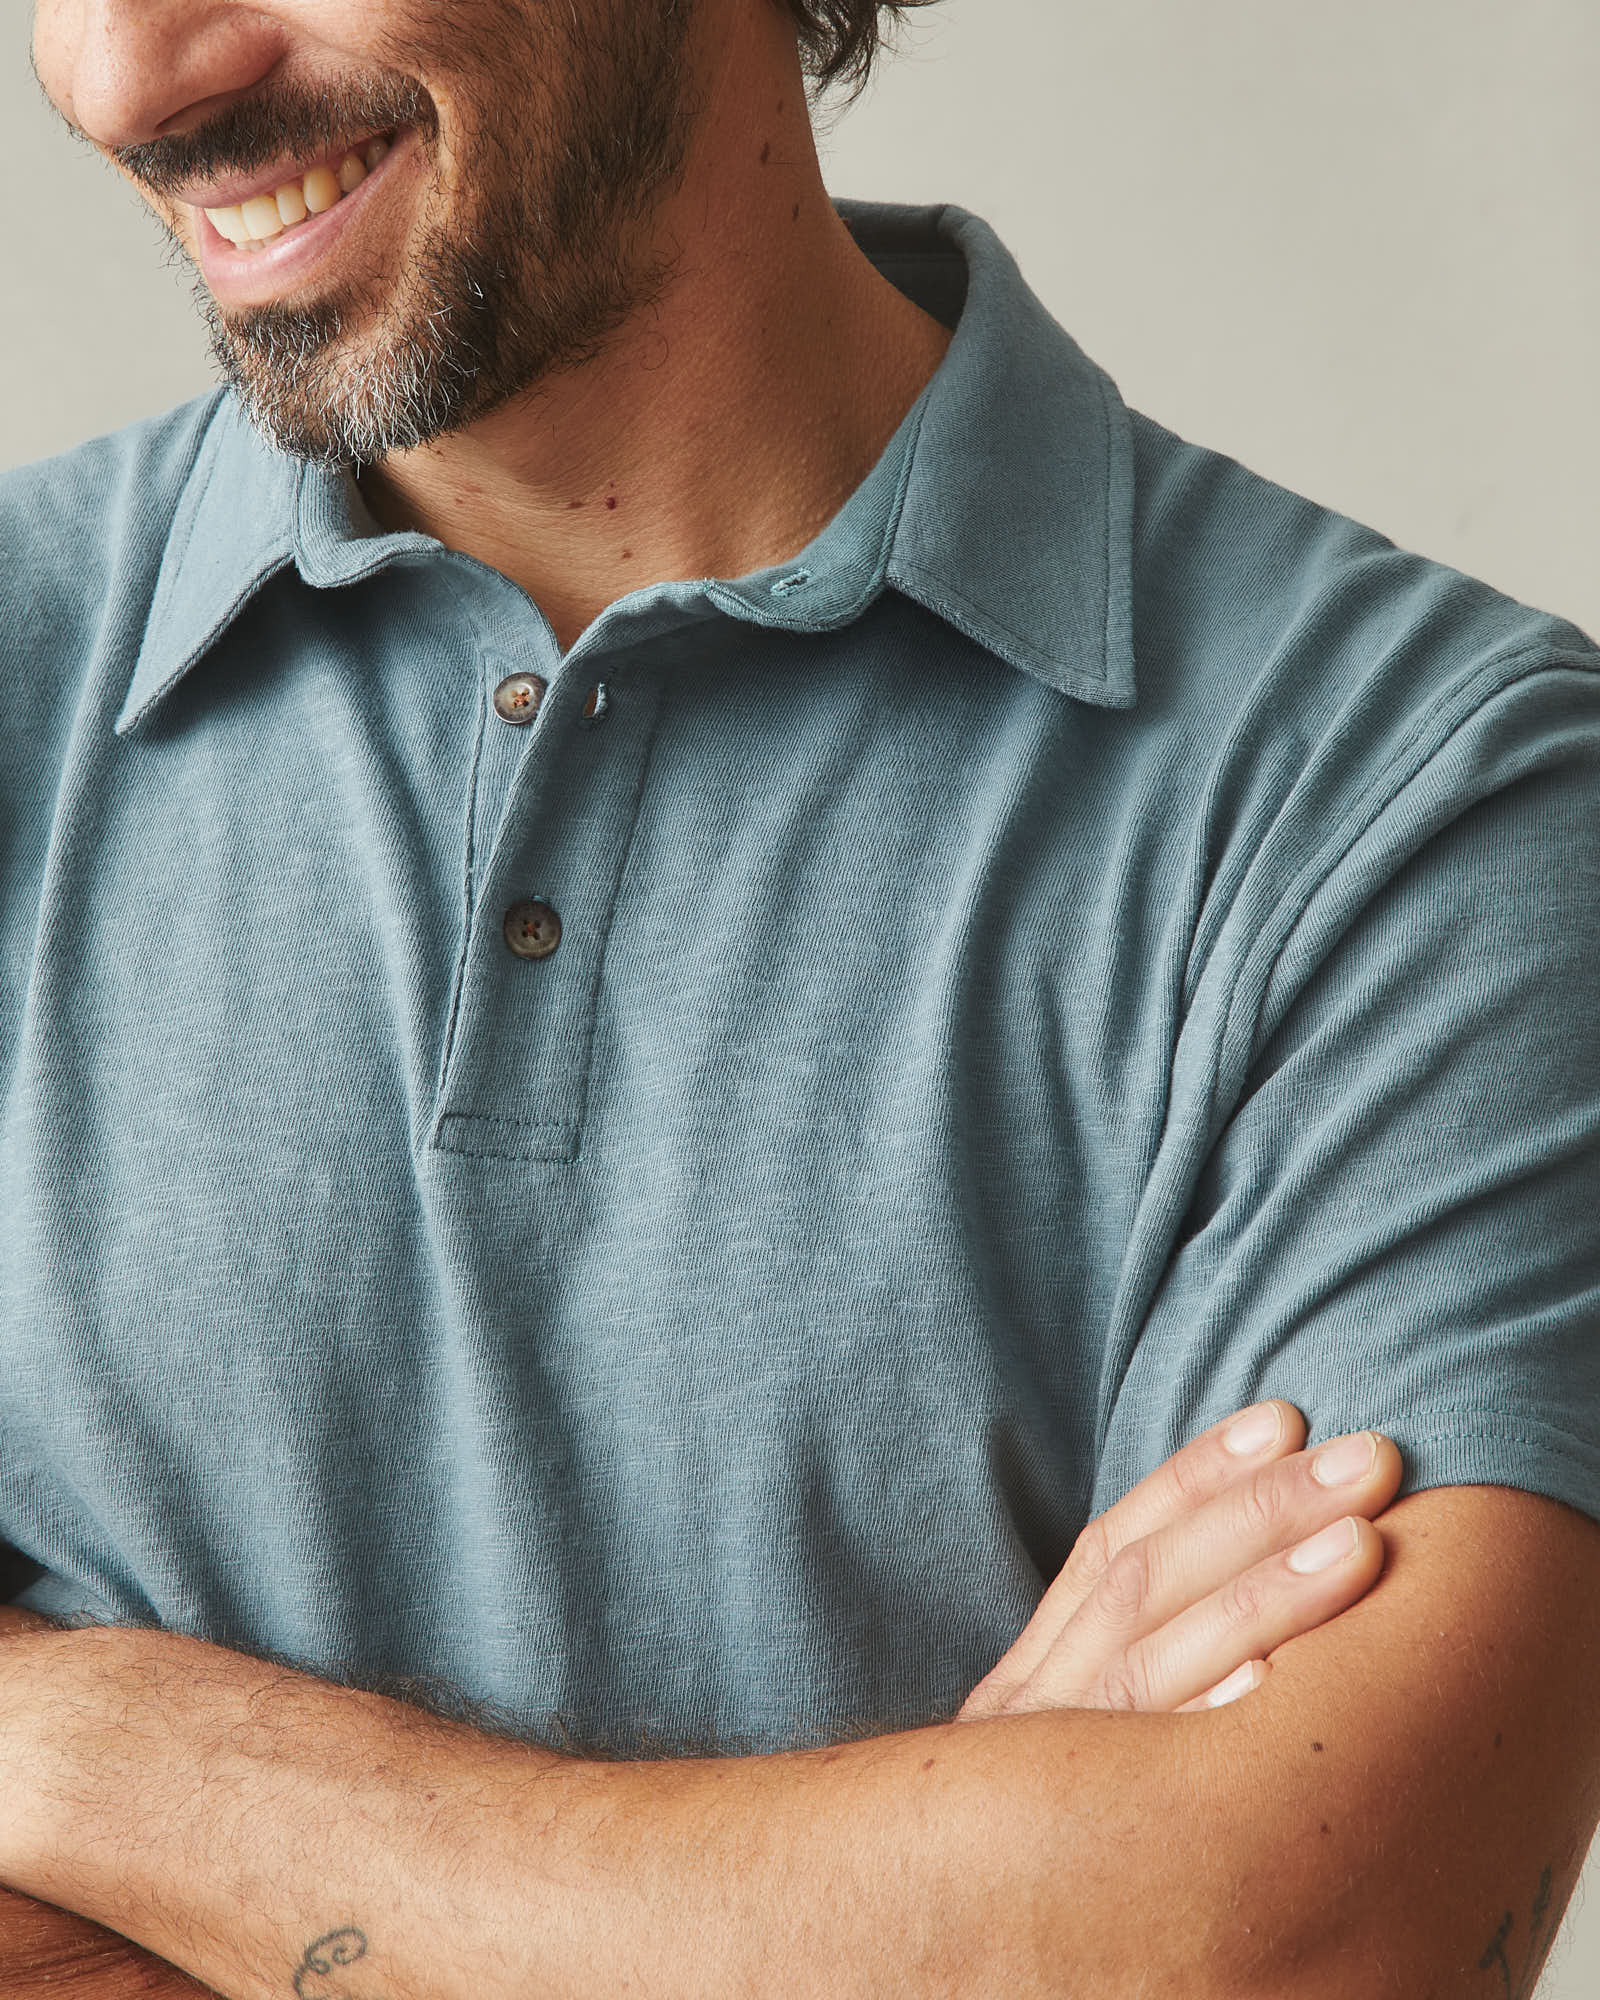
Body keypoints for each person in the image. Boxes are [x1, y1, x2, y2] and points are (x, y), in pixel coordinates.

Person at [3, 0, 1599, 1993]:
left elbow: (1288, 1946)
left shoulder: (1418, 808)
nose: (122, 77)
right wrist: (942, 1906)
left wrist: (86, 1748)